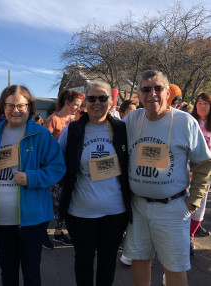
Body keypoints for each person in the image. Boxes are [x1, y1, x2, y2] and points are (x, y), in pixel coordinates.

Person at [122, 70, 211, 286]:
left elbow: (203, 163)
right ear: (138, 94)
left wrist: (194, 200)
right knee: (139, 259)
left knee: (174, 266)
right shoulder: (131, 120)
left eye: (158, 88)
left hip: (172, 207)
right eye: (146, 89)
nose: (152, 93)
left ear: (168, 91)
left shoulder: (185, 122)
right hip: (138, 207)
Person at [0, 84, 66, 286]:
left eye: (21, 105)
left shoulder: (41, 134)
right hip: (1, 217)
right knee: (8, 270)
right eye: (10, 105)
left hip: (32, 218)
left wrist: (32, 177)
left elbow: (58, 168)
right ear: (3, 108)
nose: (15, 110)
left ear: (30, 107)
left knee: (31, 271)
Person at [59, 81, 132, 286]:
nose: (97, 103)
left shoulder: (122, 129)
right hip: (80, 212)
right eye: (92, 98)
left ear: (111, 101)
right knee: (83, 262)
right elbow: (55, 162)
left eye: (102, 98)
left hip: (115, 213)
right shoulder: (72, 130)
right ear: (85, 101)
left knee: (108, 263)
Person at [43, 89, 82, 248]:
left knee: (64, 202)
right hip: (54, 169)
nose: (78, 109)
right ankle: (42, 233)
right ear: (67, 102)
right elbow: (43, 143)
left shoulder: (72, 119)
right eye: (76, 105)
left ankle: (58, 233)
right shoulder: (54, 119)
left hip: (68, 168)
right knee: (54, 203)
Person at [189, 92, 211, 255]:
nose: (202, 106)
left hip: (204, 172)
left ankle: (190, 236)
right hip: (186, 169)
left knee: (199, 204)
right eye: (200, 103)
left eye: (206, 103)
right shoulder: (190, 122)